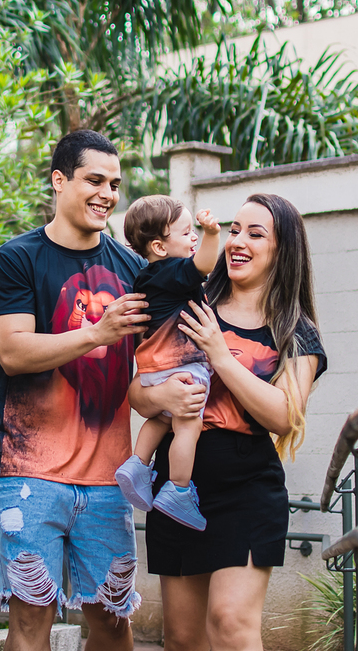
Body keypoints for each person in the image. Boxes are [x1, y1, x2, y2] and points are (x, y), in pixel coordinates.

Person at [0, 129, 157, 651]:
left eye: (115, 183)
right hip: (27, 475)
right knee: (31, 621)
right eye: (94, 180)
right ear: (59, 181)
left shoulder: (134, 270)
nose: (107, 193)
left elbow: (146, 373)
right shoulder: (15, 260)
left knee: (111, 619)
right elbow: (12, 351)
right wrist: (97, 333)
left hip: (108, 480)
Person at [129, 193, 328, 651]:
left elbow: (284, 415)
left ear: (283, 251)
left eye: (255, 234)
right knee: (182, 639)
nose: (237, 241)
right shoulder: (189, 297)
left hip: (247, 488)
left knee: (231, 623)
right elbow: (138, 394)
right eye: (234, 229)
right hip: (179, 487)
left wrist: (221, 354)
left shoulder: (295, 330)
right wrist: (164, 396)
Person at [115, 195, 220, 530]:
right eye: (187, 232)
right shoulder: (175, 272)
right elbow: (204, 264)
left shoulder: (147, 277)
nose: (193, 238)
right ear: (159, 247)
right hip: (182, 364)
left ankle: (138, 464)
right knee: (187, 425)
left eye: (194, 232)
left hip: (152, 371)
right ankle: (178, 488)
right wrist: (212, 233)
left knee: (161, 420)